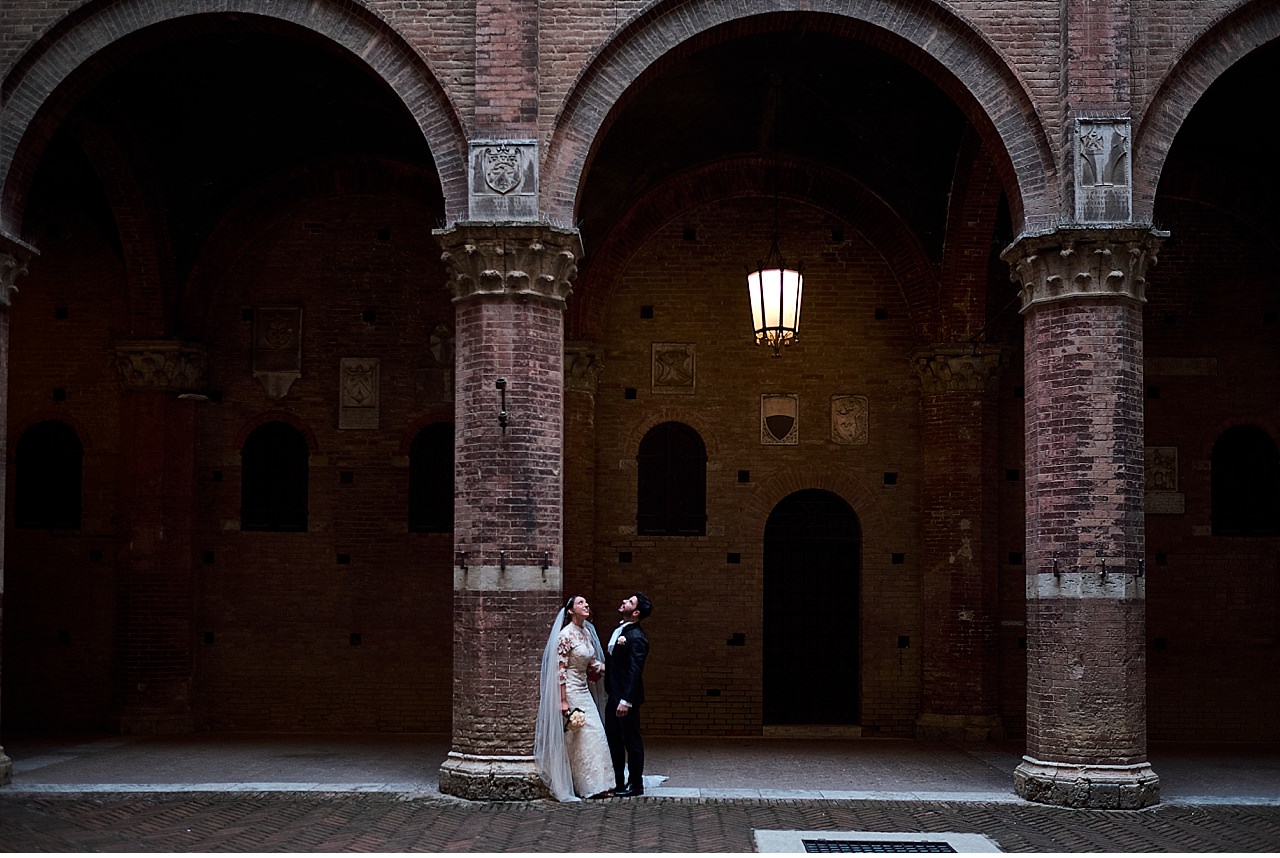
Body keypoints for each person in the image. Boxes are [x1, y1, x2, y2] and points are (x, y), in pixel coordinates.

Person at [534, 595, 614, 801]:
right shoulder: (565, 635)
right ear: (570, 611)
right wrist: (562, 700)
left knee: (595, 733)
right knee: (582, 736)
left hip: (583, 688)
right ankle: (589, 786)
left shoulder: (586, 631)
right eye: (581, 603)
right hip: (569, 689)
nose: (586, 605)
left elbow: (592, 661)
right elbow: (560, 670)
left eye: (587, 602)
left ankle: (602, 782)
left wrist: (606, 670)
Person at [605, 591, 652, 797]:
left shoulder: (637, 638)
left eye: (630, 601)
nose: (624, 601)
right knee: (613, 739)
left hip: (625, 699)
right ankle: (618, 782)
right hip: (613, 694)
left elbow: (635, 671)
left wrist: (626, 700)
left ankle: (636, 784)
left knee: (631, 740)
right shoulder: (620, 630)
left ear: (636, 612)